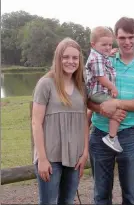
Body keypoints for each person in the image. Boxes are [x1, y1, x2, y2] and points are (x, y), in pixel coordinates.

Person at [87, 17, 134, 204]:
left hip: (129, 136)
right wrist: (103, 110)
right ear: (115, 38)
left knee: (130, 195)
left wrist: (116, 104)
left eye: (131, 37)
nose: (127, 42)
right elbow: (88, 97)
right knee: (101, 194)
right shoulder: (104, 58)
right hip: (100, 132)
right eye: (122, 37)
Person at [31, 37, 89, 204]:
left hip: (75, 157)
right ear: (58, 58)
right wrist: (42, 158)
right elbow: (36, 123)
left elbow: (84, 121)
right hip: (50, 157)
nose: (70, 61)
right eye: (66, 57)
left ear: (79, 60)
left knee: (68, 201)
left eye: (75, 58)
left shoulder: (81, 86)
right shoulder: (45, 84)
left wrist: (84, 152)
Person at [85, 26, 122, 152]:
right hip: (97, 92)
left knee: (116, 107)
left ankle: (111, 136)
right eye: (104, 44)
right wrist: (112, 87)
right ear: (93, 44)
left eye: (110, 45)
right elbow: (101, 77)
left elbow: (103, 60)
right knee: (117, 107)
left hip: (98, 91)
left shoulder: (99, 56)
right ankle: (111, 137)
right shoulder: (96, 59)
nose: (108, 47)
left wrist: (109, 53)